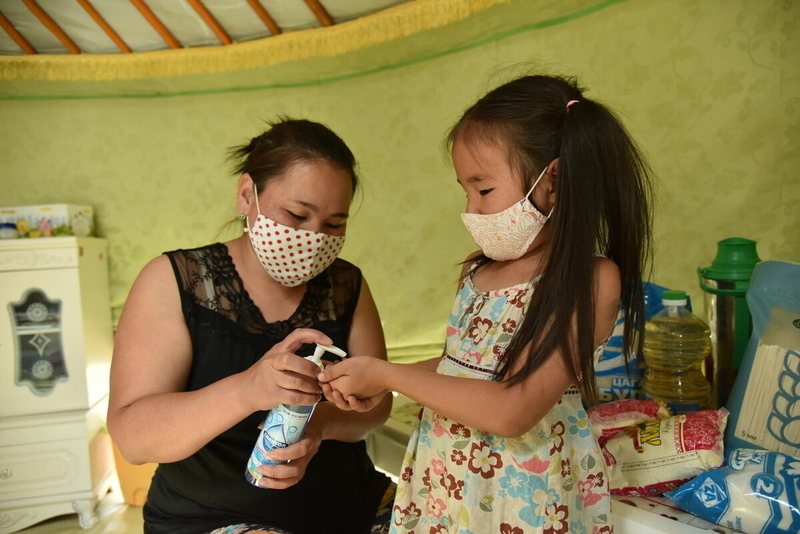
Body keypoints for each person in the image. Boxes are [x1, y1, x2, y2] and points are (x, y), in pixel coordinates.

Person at [319, 74, 654, 533]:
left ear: (552, 180)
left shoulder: (591, 280)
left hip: (523, 500)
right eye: (465, 191)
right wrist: (387, 384)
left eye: (485, 189)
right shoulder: (478, 271)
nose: (471, 210)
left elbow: (512, 409)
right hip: (448, 486)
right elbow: (463, 367)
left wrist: (385, 373)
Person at [107, 118, 394, 534]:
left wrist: (322, 425)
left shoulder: (347, 285)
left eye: (334, 225)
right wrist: (248, 390)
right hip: (210, 516)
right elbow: (134, 440)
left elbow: (377, 405)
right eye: (297, 214)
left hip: (353, 504)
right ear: (247, 196)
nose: (314, 238)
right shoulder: (174, 280)